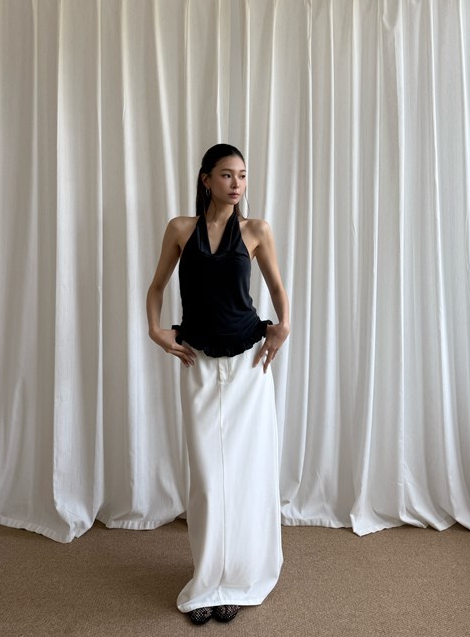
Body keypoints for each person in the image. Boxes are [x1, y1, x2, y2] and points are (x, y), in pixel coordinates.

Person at [146, 143, 290, 625]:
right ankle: (208, 580)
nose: (237, 184)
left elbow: (276, 288)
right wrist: (155, 330)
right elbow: (156, 287)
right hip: (198, 360)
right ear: (206, 179)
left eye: (243, 175)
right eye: (227, 174)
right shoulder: (180, 229)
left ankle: (239, 579)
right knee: (209, 477)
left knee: (246, 473)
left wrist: (283, 326)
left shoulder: (256, 230)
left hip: (249, 363)